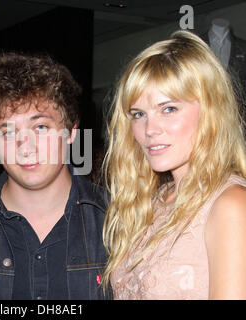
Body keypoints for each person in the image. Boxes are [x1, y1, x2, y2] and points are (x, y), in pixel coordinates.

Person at [102, 30, 246, 299]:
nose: (149, 129)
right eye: (138, 114)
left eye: (168, 109)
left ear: (210, 111)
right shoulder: (154, 200)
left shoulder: (230, 205)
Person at [0, 52, 111, 300]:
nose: (26, 147)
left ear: (71, 132)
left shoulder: (117, 218)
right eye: (9, 132)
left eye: (40, 127)